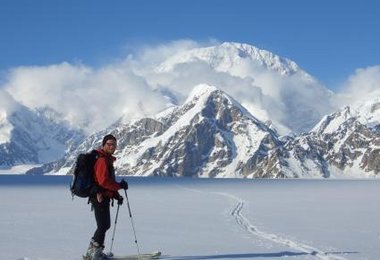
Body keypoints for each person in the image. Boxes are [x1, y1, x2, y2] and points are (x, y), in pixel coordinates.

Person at [84, 134, 129, 260]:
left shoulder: (107, 159)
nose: (111, 146)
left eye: (113, 144)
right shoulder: (102, 160)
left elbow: (106, 182)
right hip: (99, 197)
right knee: (103, 226)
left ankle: (94, 252)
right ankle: (93, 254)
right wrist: (119, 186)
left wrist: (116, 195)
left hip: (103, 196)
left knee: (104, 225)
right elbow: (104, 182)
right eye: (109, 144)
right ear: (103, 145)